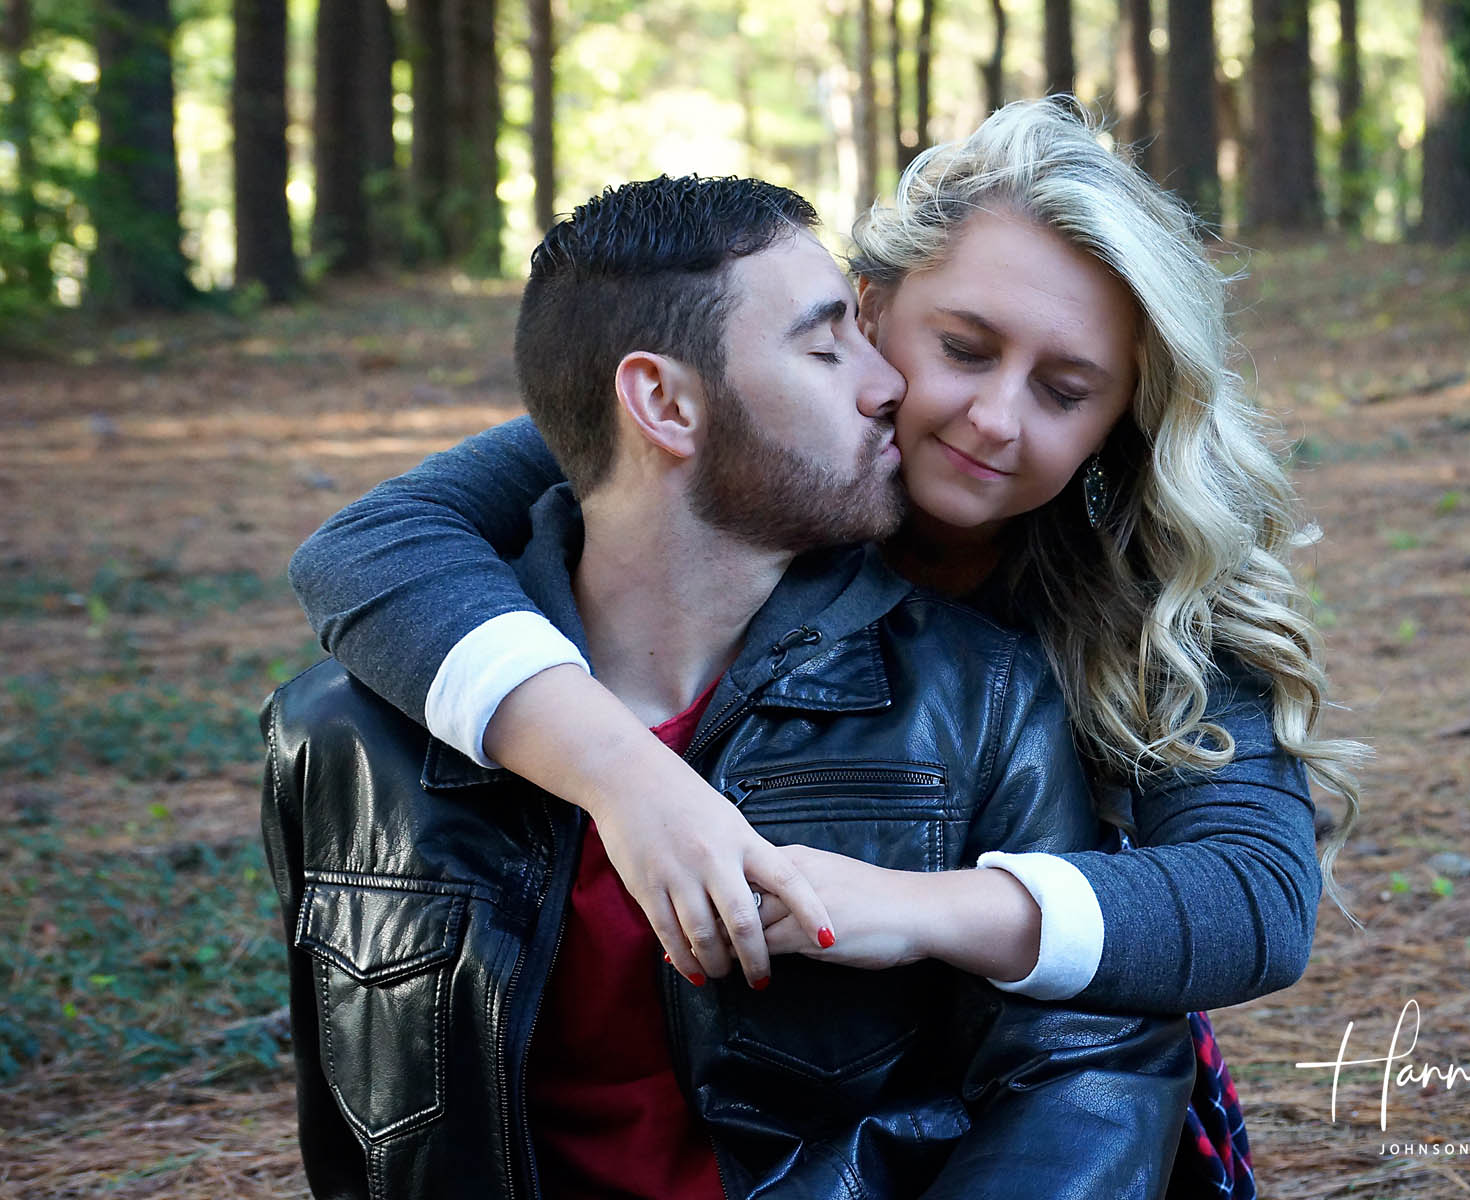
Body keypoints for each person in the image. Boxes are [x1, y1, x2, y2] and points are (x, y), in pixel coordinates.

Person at [289, 100, 1365, 1194]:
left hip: (992, 1077)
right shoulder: (751, 438)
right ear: (869, 308)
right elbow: (373, 543)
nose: (995, 419)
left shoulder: (1143, 585)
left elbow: (1254, 897)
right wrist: (633, 780)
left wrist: (908, 910)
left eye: (1065, 390)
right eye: (962, 348)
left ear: (1119, 419)